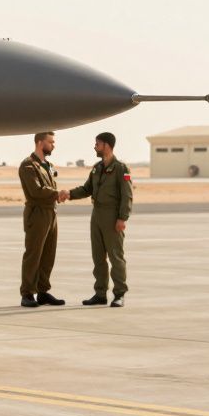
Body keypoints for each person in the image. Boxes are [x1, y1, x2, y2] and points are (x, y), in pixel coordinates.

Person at [59, 131, 133, 307]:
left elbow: (127, 195)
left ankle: (119, 294)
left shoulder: (121, 169)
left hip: (112, 216)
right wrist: (69, 194)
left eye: (97, 144)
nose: (95, 147)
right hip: (97, 215)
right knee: (98, 257)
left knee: (116, 257)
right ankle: (100, 293)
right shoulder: (97, 168)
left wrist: (122, 218)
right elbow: (87, 189)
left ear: (107, 145)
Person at [18, 132, 66, 307]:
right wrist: (57, 194)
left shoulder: (48, 165)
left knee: (48, 254)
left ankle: (43, 291)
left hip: (51, 212)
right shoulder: (28, 165)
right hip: (37, 213)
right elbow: (35, 191)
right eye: (50, 142)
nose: (53, 145)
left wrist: (56, 196)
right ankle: (27, 293)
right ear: (40, 143)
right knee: (34, 253)